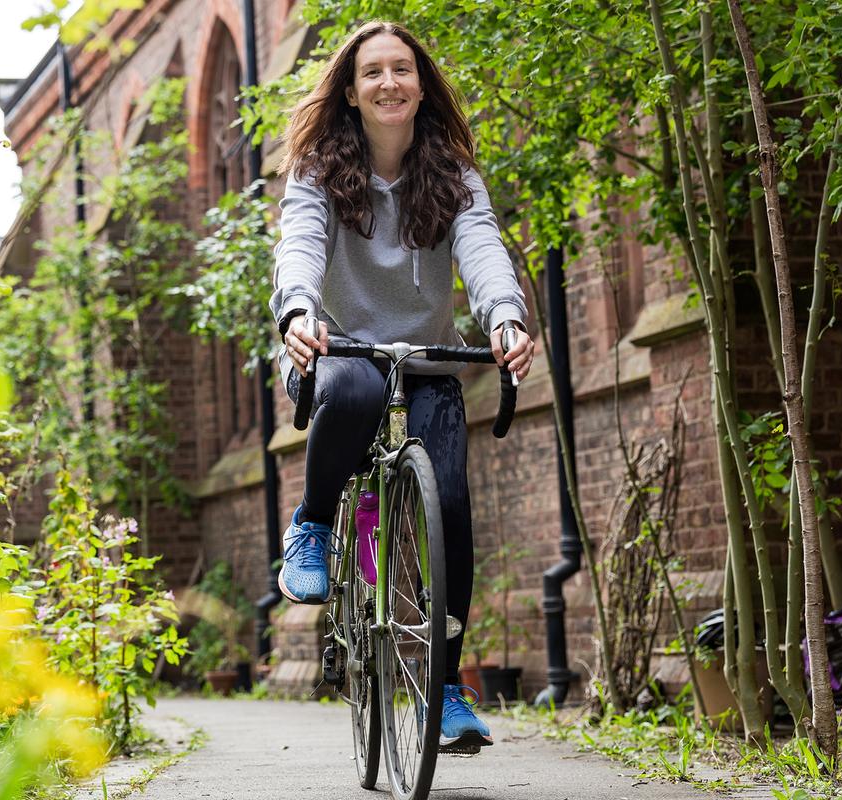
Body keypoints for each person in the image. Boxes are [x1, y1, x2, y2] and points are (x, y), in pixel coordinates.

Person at [268, 20, 535, 750]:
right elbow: (299, 244)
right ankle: (315, 525)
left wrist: (505, 320)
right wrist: (297, 310)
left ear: (421, 85)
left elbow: (482, 254)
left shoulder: (453, 175)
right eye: (374, 72)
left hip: (428, 363)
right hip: (344, 351)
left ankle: (444, 689)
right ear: (351, 93)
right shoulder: (319, 170)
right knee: (352, 391)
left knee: (448, 501)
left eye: (403, 70)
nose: (390, 82)